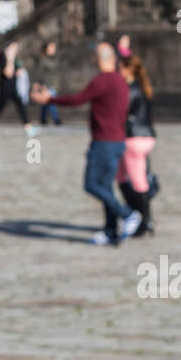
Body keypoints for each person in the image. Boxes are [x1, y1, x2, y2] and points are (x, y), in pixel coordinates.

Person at [31, 41, 142, 246]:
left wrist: (50, 101)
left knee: (91, 184)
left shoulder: (103, 81)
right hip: (117, 141)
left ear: (98, 60)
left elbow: (77, 99)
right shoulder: (120, 81)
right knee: (106, 187)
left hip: (104, 142)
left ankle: (127, 214)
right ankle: (110, 231)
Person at [116, 55, 156, 237]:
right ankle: (138, 215)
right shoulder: (143, 86)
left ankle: (143, 220)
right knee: (122, 176)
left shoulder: (129, 89)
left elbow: (122, 113)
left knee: (137, 181)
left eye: (120, 68)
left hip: (133, 139)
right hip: (146, 136)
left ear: (128, 69)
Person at [0, 41, 37, 140]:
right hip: (5, 89)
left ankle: (28, 127)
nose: (15, 50)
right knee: (0, 107)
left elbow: (16, 72)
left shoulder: (15, 60)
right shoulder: (3, 59)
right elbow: (8, 73)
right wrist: (10, 59)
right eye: (13, 48)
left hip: (14, 88)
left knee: (21, 107)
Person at [35, 40, 62, 126]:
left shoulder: (54, 58)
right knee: (51, 102)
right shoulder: (44, 59)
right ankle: (56, 119)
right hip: (48, 84)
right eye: (51, 47)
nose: (53, 49)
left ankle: (43, 119)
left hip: (54, 83)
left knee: (46, 103)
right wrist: (41, 85)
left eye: (54, 47)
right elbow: (40, 73)